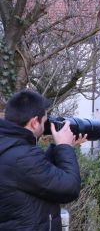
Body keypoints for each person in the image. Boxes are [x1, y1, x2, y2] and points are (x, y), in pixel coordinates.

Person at [0, 89, 86, 230]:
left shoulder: (10, 146)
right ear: (34, 122)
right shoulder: (22, 156)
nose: (45, 126)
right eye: (45, 121)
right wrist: (65, 147)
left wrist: (60, 147)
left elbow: (40, 177)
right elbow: (69, 188)